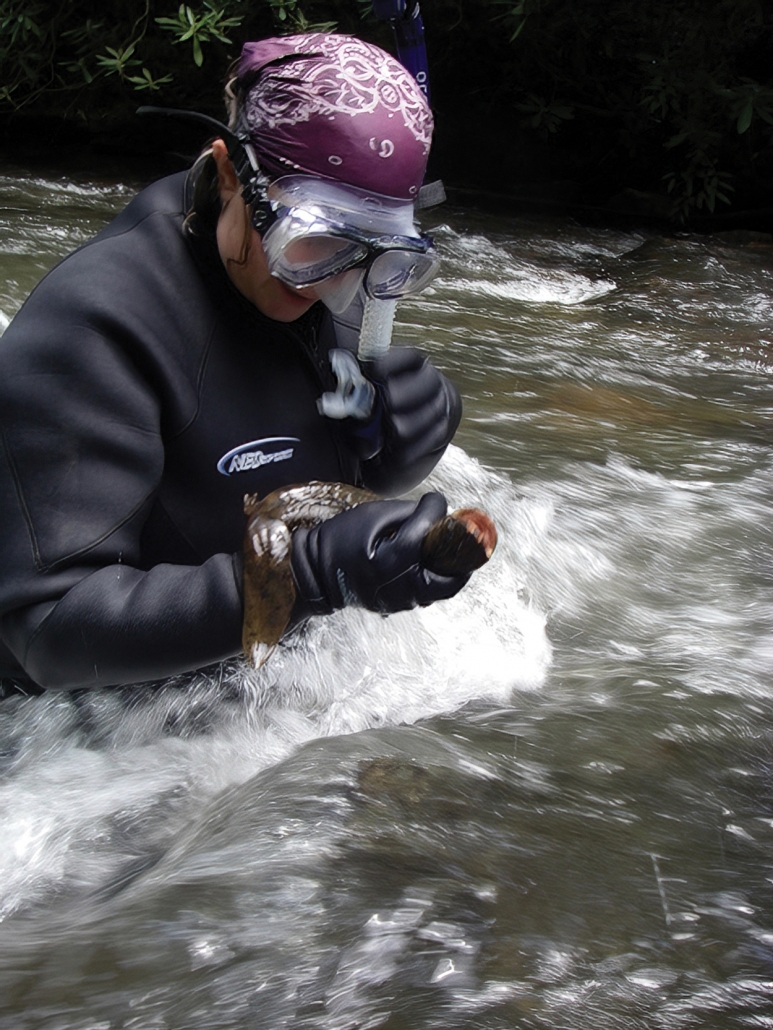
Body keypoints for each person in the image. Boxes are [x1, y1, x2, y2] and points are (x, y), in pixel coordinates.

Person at [0, 33, 468, 696]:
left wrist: (398, 450)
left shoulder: (327, 284)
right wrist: (297, 577)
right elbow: (48, 632)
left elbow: (319, 468)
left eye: (372, 253)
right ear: (227, 171)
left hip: (252, 700)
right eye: (309, 236)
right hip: (82, 744)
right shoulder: (96, 328)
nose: (326, 284)